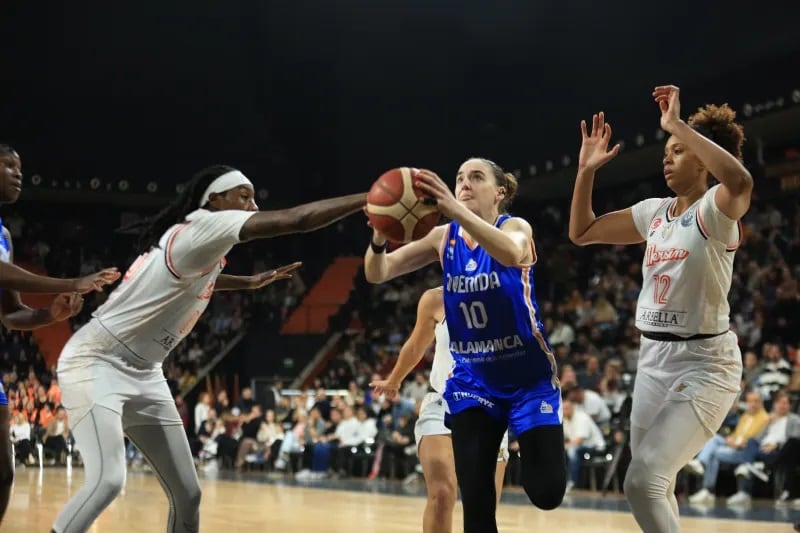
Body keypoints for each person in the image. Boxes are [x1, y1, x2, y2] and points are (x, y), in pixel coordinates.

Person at [51, 164, 366, 533]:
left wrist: (248, 282)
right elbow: (296, 219)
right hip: (98, 360)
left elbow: (204, 278)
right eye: (244, 196)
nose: (253, 206)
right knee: (107, 480)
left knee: (188, 493)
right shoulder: (203, 226)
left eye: (255, 197)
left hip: (146, 371)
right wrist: (368, 198)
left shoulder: (198, 241)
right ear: (214, 200)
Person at [568, 85, 752, 532]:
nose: (666, 157)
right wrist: (585, 171)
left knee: (642, 480)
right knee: (656, 485)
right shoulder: (654, 213)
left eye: (678, 150)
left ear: (703, 158)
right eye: (666, 150)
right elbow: (582, 231)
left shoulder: (716, 209)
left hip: (705, 363)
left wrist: (677, 124)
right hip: (653, 361)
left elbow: (741, 182)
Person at [365, 158, 566, 533]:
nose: (464, 184)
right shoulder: (444, 237)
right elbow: (379, 272)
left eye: (476, 178)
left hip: (527, 378)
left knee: (548, 492)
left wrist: (452, 207)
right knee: (475, 506)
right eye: (459, 179)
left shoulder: (515, 226)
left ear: (499, 191)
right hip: (472, 383)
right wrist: (379, 236)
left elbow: (510, 252)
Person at [0, 144, 120, 526]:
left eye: (20, 167)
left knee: (4, 472)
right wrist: (70, 282)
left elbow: (10, 314)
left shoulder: (4, 234)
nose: (18, 173)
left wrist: (49, 314)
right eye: (7, 165)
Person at [371, 286, 508, 533]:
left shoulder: (509, 291)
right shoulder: (435, 298)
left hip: (489, 409)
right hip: (441, 403)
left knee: (482, 507)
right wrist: (394, 380)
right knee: (443, 492)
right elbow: (415, 346)